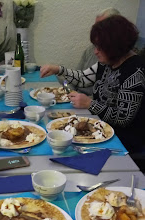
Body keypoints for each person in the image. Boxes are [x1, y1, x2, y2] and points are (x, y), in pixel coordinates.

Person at [40, 15, 145, 159]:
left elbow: (123, 118)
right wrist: (59, 69)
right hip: (100, 130)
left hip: (122, 143)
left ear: (116, 46)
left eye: (100, 47)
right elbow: (83, 79)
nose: (95, 51)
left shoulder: (135, 73)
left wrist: (90, 104)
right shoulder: (109, 60)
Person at [57, 7, 121, 96]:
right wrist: (58, 71)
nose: (95, 52)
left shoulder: (126, 64)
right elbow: (79, 78)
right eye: (95, 27)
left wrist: (87, 102)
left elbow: (110, 102)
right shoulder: (92, 50)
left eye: (101, 27)